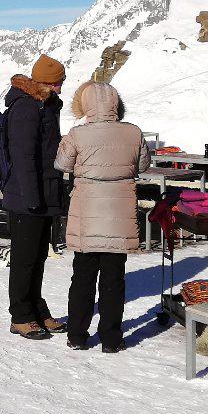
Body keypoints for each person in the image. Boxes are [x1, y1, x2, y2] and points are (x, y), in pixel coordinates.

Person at [55, 82, 151, 353]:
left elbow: (62, 164)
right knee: (114, 279)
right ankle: (111, 338)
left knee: (82, 277)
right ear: (115, 104)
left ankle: (77, 335)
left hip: (87, 213)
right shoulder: (133, 132)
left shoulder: (78, 133)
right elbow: (143, 164)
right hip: (119, 214)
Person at [2, 54, 68, 339]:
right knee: (24, 257)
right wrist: (31, 197)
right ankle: (20, 315)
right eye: (58, 83)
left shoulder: (46, 106)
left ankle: (36, 307)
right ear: (46, 82)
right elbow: (23, 156)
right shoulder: (26, 108)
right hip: (27, 194)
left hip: (44, 191)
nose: (61, 89)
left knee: (39, 255)